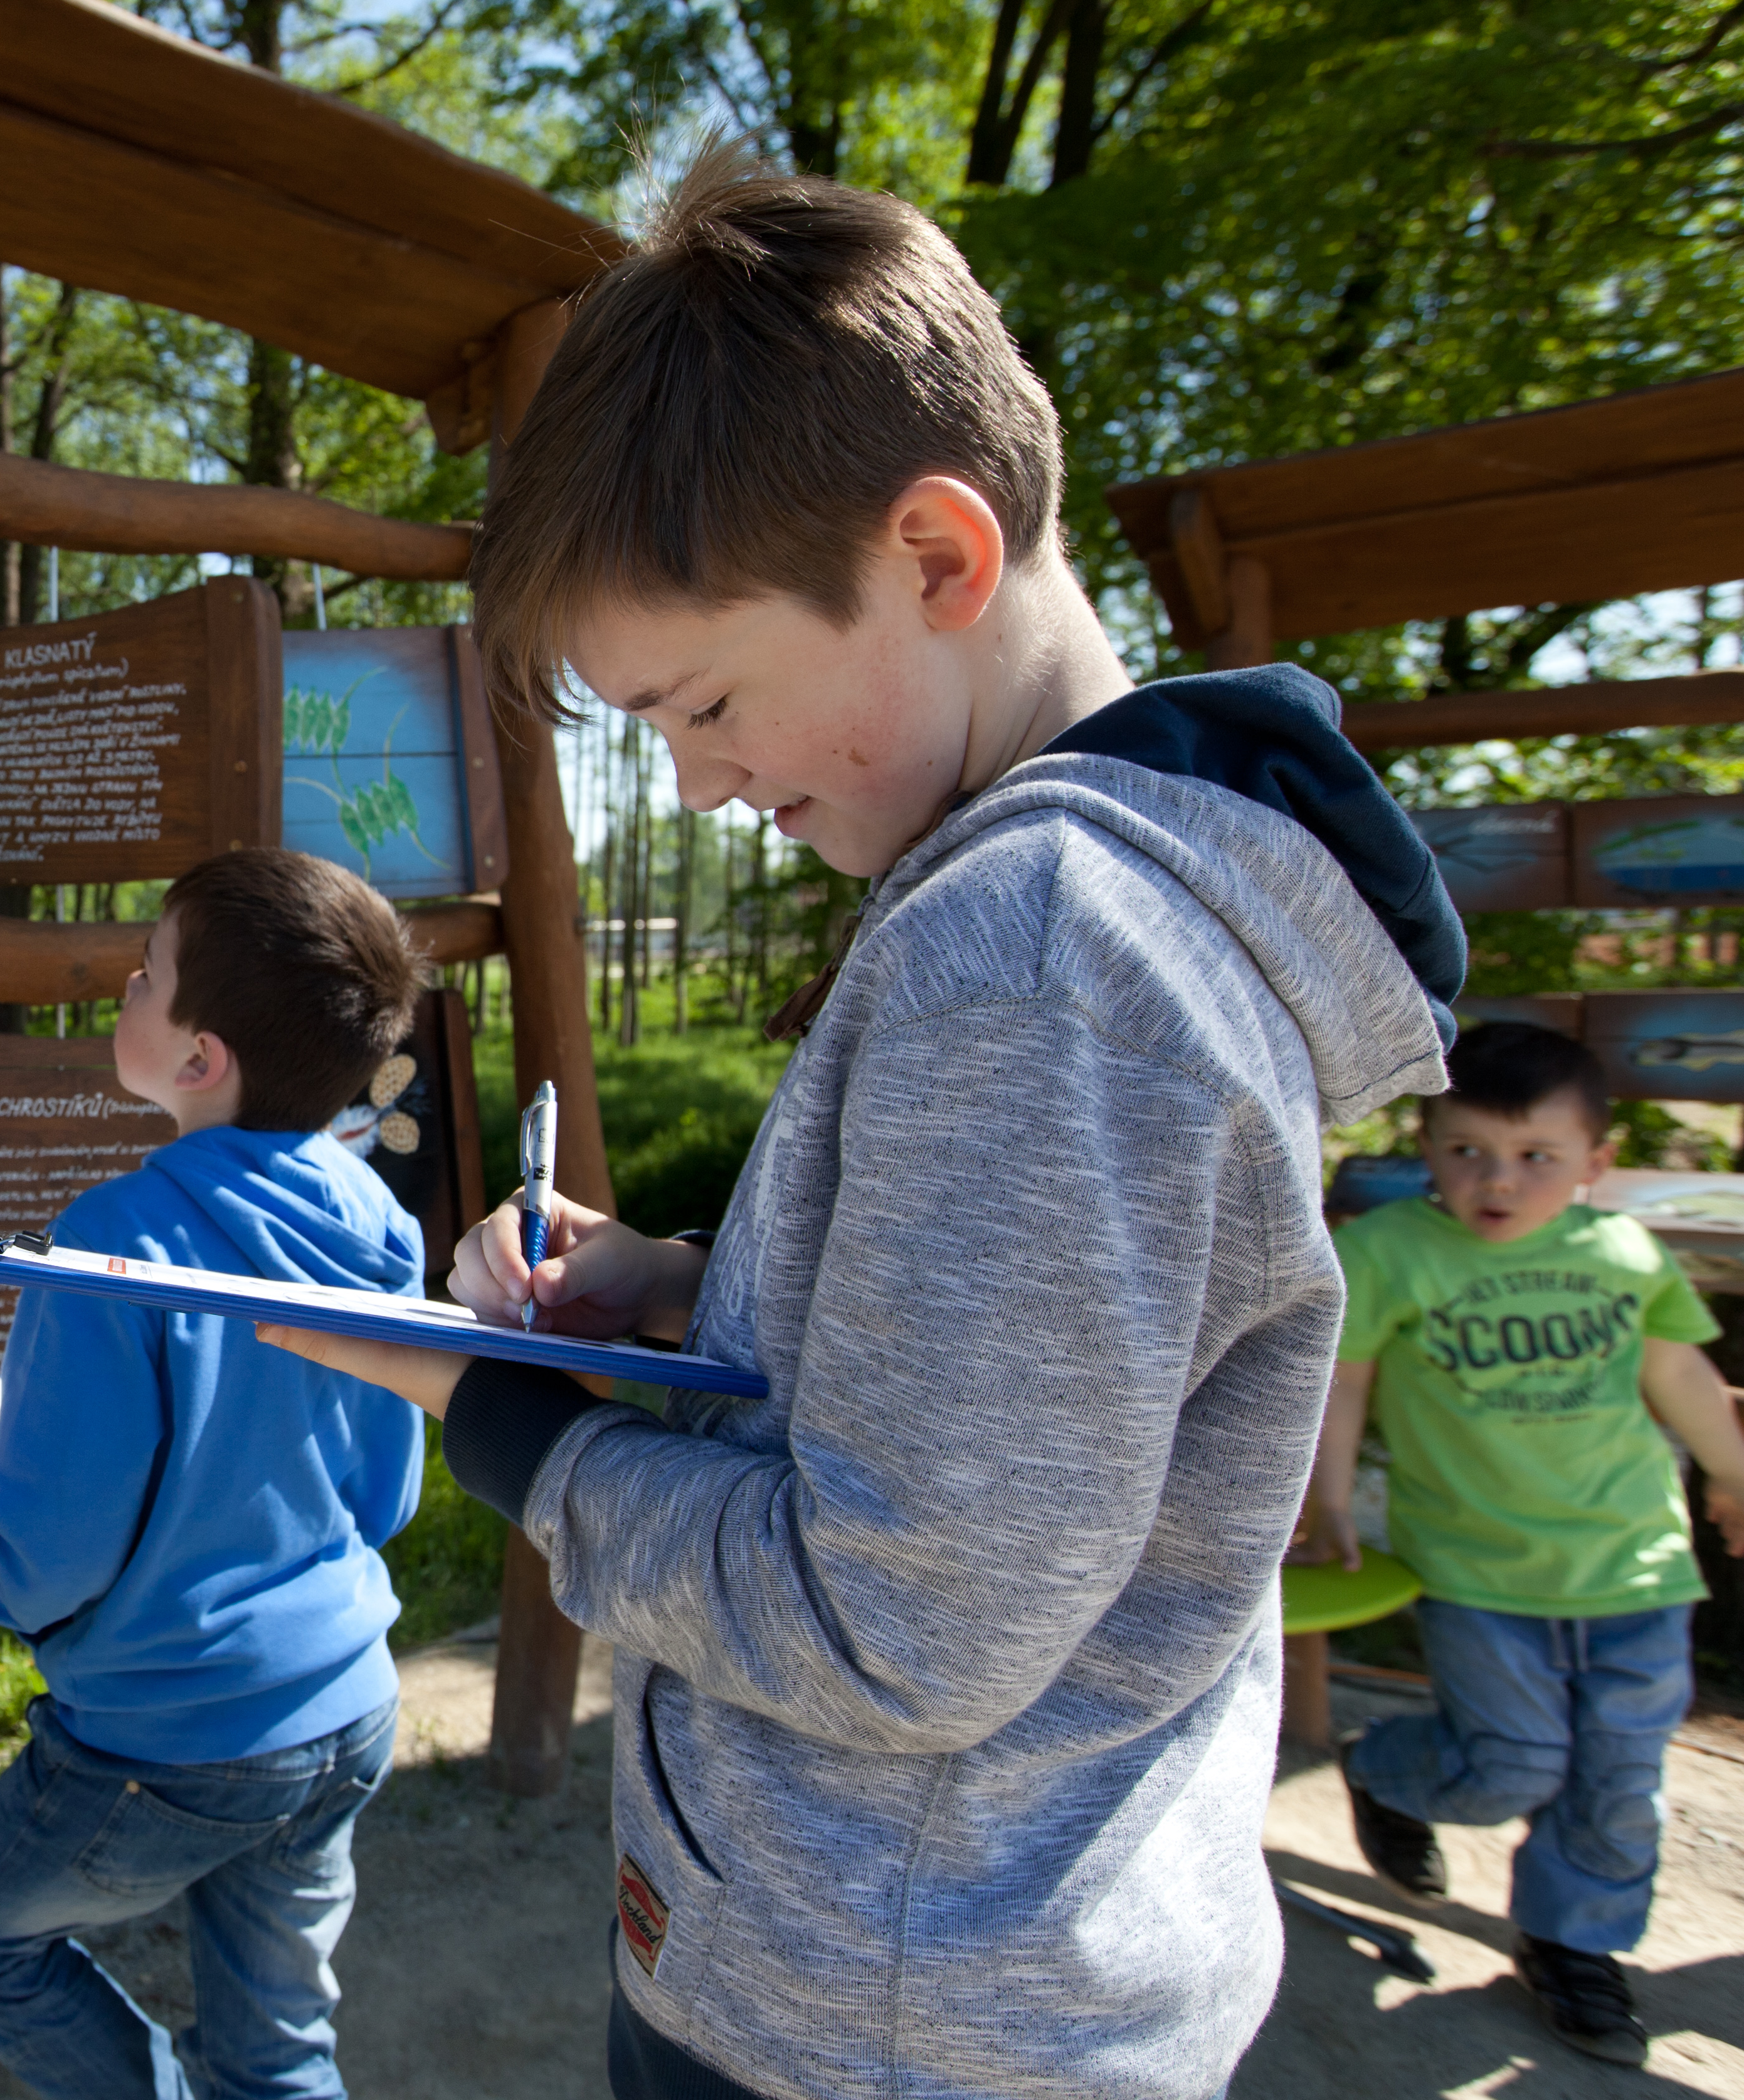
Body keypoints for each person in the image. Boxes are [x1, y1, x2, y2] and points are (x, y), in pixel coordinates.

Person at [258, 140, 1459, 2100]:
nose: (708, 784)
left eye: (709, 701)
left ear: (933, 559)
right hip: (983, 1968)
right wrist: (679, 1285)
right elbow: (1028, 1392)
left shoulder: (1033, 955)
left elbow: (889, 1628)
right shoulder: (1118, 908)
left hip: (876, 2023)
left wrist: (494, 1418)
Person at [0, 848, 430, 2100]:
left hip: (169, 1735)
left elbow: (47, 1559)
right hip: (344, 1703)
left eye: (146, 976)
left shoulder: (110, 1246)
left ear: (200, 1059)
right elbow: (385, 1494)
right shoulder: (375, 1217)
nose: (123, 987)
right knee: (281, 2045)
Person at [1296, 1021, 1744, 2066]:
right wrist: (1327, 1510)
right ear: (1430, 1144)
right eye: (1467, 1151)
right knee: (1511, 1766)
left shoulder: (1622, 1253)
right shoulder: (1391, 1250)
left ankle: (1572, 1947)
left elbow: (1679, 1378)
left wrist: (1733, 1473)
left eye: (1536, 1157)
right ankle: (1386, 1768)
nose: (1498, 1181)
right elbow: (1343, 1390)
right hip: (1481, 1578)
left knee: (1617, 1784)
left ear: (1596, 1162)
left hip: (1637, 1570)